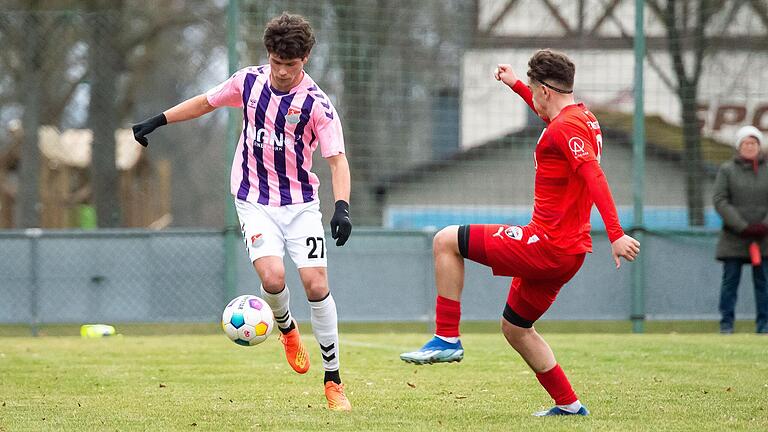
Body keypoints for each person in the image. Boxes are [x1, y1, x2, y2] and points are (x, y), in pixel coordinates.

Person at [400, 49, 640, 417]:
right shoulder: (583, 118)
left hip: (546, 244)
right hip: (569, 253)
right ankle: (569, 405)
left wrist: (617, 232)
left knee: (446, 240)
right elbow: (550, 115)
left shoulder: (564, 128)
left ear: (545, 89)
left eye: (532, 90)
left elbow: (594, 176)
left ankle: (446, 336)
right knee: (516, 327)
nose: (534, 98)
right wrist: (515, 84)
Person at [132, 12, 353, 411]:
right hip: (253, 199)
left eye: (292, 65)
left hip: (301, 205)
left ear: (305, 60)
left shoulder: (317, 104)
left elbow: (337, 161)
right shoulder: (248, 82)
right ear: (268, 54)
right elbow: (204, 103)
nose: (283, 72)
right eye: (277, 63)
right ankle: (286, 328)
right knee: (272, 276)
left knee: (316, 285)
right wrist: (157, 121)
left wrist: (342, 207)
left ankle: (333, 380)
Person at [713, 125, 768, 334]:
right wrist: (741, 226)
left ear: (759, 146)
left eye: (753, 143)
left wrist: (763, 225)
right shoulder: (727, 170)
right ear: (739, 146)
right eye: (746, 143)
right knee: (730, 282)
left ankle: (764, 325)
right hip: (734, 238)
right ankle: (726, 324)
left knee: (763, 283)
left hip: (764, 239)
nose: (750, 146)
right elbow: (720, 200)